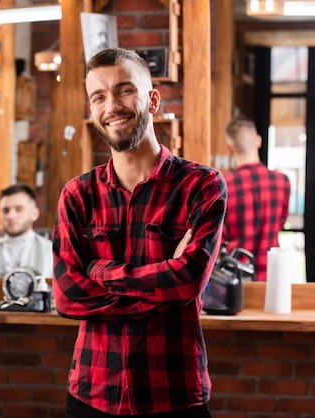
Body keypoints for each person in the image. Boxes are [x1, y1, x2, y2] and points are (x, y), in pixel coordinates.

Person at [52, 48, 227, 417]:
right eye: (98, 96)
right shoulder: (77, 194)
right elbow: (67, 296)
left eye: (124, 90)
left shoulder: (201, 185)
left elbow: (189, 282)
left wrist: (100, 271)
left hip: (175, 396)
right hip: (92, 394)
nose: (111, 105)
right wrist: (161, 285)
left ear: (152, 100)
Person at [222, 116, 291, 281]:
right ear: (258, 141)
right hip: (272, 276)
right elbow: (280, 223)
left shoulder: (223, 184)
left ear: (229, 148)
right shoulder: (282, 181)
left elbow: (219, 236)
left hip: (235, 276)